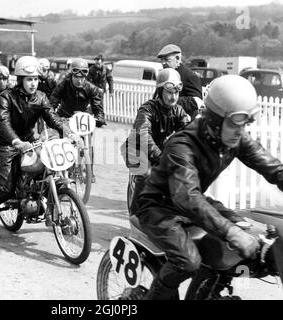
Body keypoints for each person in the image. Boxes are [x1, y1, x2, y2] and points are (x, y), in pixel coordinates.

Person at [132, 75, 283, 300]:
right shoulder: (182, 146)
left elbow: (271, 167)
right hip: (158, 206)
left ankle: (206, 289)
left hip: (193, 200)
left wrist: (235, 231)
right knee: (188, 261)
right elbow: (187, 198)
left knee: (251, 237)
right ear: (214, 119)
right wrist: (231, 232)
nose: (240, 131)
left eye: (245, 124)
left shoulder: (234, 138)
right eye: (234, 122)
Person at [0, 56, 81, 241]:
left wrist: (69, 133)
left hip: (29, 141)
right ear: (20, 80)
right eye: (29, 79)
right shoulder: (6, 97)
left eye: (35, 79)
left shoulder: (41, 97)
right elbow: (3, 123)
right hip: (5, 145)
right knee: (6, 189)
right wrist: (16, 142)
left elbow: (52, 118)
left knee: (48, 170)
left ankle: (52, 212)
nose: (33, 83)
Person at [121, 68, 190, 213]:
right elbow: (143, 134)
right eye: (170, 92)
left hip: (160, 150)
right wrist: (160, 156)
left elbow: (187, 134)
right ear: (160, 91)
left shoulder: (179, 111)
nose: (173, 97)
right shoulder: (147, 109)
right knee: (145, 173)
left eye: (176, 93)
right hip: (136, 148)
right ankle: (136, 215)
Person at [50, 58, 106, 183]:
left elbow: (98, 109)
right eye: (77, 77)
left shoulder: (91, 88)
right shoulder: (63, 85)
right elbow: (52, 102)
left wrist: (99, 119)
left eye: (82, 78)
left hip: (83, 118)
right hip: (65, 116)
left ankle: (90, 171)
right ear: (71, 76)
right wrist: (52, 116)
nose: (80, 80)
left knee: (88, 145)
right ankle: (61, 171)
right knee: (62, 143)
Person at [154, 44, 203, 118]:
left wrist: (170, 101)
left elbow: (197, 101)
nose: (163, 63)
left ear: (177, 58)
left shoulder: (189, 76)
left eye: (167, 59)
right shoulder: (166, 74)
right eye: (162, 59)